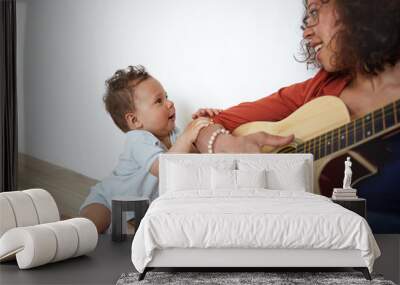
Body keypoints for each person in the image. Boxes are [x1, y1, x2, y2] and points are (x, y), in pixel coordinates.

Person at [194, 0, 400, 233]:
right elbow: (202, 125)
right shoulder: (318, 90)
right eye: (306, 18)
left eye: (314, 13)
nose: (306, 32)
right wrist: (227, 144)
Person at [80, 65, 221, 233]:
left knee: (136, 235)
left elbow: (196, 158)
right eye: (158, 101)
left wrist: (202, 124)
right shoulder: (137, 139)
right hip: (108, 202)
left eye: (166, 96)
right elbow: (164, 167)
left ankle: (118, 231)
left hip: (137, 212)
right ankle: (64, 229)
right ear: (135, 121)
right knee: (90, 225)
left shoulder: (175, 135)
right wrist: (188, 136)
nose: (170, 103)